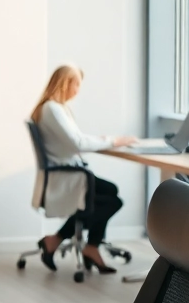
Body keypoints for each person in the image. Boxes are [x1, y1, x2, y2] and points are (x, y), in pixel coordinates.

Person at [30, 65, 137, 274]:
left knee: (110, 192)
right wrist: (113, 141)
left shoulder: (54, 108)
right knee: (112, 200)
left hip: (69, 172)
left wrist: (106, 140)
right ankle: (87, 246)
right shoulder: (52, 108)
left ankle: (62, 240)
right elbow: (77, 143)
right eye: (76, 83)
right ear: (65, 83)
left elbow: (75, 140)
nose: (78, 89)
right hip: (67, 174)